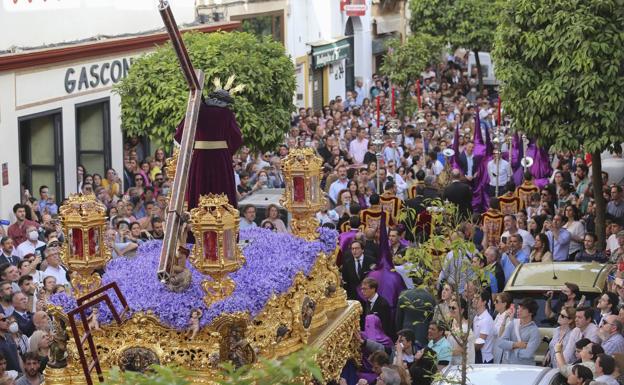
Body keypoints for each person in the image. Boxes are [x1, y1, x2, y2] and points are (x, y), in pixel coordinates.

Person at [174, 89, 243, 208]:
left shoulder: (196, 110)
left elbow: (180, 134)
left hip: (200, 156)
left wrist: (195, 146)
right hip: (221, 158)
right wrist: (227, 152)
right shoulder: (227, 113)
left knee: (200, 186)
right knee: (222, 188)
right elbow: (237, 138)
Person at [497, 297, 541, 365]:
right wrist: (516, 344)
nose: (519, 310)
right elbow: (500, 343)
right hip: (508, 366)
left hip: (524, 368)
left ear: (531, 312)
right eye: (518, 308)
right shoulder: (513, 323)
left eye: (523, 308)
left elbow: (527, 354)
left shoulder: (534, 331)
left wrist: (510, 348)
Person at [448, 297, 475, 365]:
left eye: (453, 308)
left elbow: (461, 350)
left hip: (464, 368)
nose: (451, 310)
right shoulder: (454, 323)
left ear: (462, 310)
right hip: (454, 365)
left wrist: (441, 353)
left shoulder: (465, 328)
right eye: (450, 307)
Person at [473, 291, 494, 364]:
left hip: (484, 359)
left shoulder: (486, 319)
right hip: (477, 355)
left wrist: (467, 351)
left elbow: (480, 343)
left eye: (477, 298)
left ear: (484, 302)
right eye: (474, 298)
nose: (473, 300)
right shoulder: (476, 317)